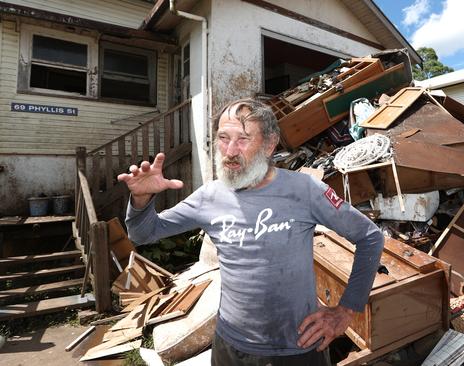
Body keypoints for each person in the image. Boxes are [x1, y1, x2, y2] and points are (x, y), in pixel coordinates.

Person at [118, 98, 384, 365]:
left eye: (243, 139)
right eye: (223, 138)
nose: (230, 151)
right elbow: (144, 234)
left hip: (299, 349)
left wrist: (347, 310)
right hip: (231, 348)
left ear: (269, 144)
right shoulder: (210, 197)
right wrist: (142, 201)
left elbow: (369, 237)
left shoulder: (305, 190)